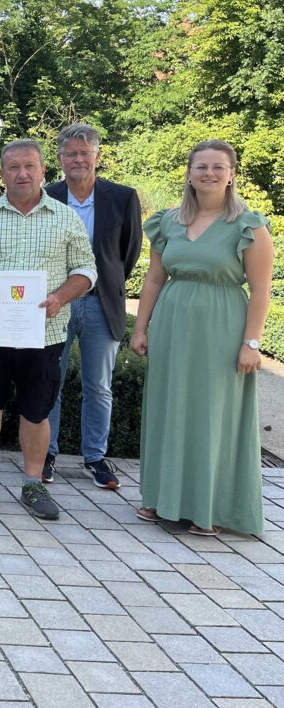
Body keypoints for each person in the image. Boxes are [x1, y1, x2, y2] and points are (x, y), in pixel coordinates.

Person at [131, 140, 273, 536]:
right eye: (201, 167)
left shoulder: (249, 226)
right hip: (172, 326)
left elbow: (261, 290)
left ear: (231, 175)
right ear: (189, 174)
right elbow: (154, 278)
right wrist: (140, 327)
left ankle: (207, 508)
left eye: (218, 167)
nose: (209, 173)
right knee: (169, 407)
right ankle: (162, 497)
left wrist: (251, 343)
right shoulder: (168, 222)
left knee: (213, 414)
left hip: (222, 329)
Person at [0, 139, 96, 522]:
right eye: (13, 167)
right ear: (2, 174)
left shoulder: (66, 218)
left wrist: (60, 297)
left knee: (36, 411)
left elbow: (86, 270)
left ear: (43, 171)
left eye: (29, 166)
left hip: (44, 334)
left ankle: (33, 482)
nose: (22, 173)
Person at [43, 124, 142, 489]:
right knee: (49, 381)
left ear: (97, 156)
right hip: (55, 302)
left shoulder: (123, 197)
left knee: (99, 386)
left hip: (101, 303)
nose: (78, 159)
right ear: (60, 158)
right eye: (71, 154)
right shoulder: (46, 196)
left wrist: (105, 284)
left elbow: (128, 253)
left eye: (85, 153)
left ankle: (95, 457)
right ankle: (45, 453)